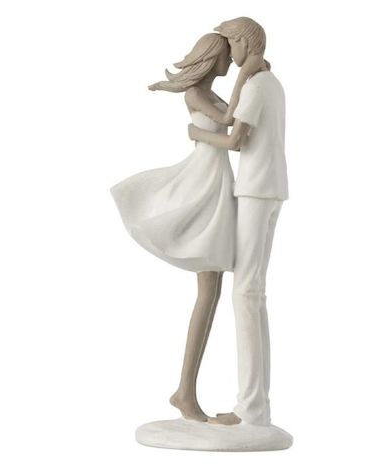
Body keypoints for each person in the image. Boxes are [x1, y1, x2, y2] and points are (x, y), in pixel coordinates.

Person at [111, 33, 251, 422]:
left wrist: (207, 130)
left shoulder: (208, 93)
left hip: (217, 182)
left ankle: (185, 391)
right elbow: (230, 121)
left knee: (212, 289)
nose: (231, 63)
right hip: (203, 183)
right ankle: (185, 391)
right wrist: (249, 76)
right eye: (226, 57)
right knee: (208, 289)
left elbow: (235, 132)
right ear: (212, 58)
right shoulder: (195, 94)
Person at [188, 17, 289, 426]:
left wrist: (196, 135)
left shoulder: (256, 84)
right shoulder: (271, 82)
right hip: (271, 187)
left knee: (246, 294)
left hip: (255, 189)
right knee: (254, 295)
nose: (230, 52)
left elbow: (234, 139)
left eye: (232, 43)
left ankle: (250, 408)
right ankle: (257, 406)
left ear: (245, 42)